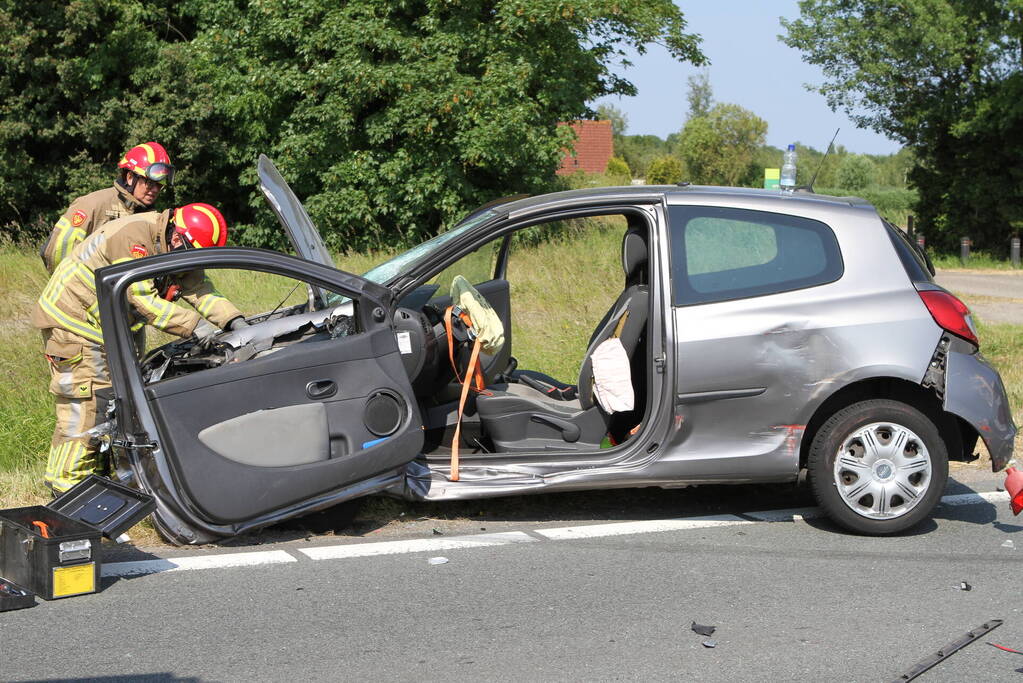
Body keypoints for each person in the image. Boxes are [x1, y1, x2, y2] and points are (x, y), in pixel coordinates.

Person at [31, 202, 248, 493]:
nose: (187, 262)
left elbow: (201, 290)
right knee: (91, 401)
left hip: (106, 328)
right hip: (74, 323)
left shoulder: (175, 245)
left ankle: (97, 481)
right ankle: (66, 484)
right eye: (186, 252)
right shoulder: (134, 235)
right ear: (175, 234)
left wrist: (236, 322)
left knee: (115, 403)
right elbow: (142, 300)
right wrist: (197, 327)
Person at [40, 142, 175, 273]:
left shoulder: (152, 217)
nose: (155, 189)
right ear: (129, 177)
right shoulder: (92, 205)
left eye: (159, 185)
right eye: (150, 183)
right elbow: (57, 253)